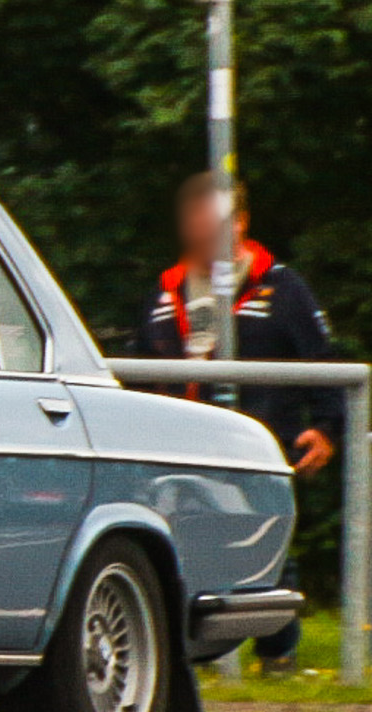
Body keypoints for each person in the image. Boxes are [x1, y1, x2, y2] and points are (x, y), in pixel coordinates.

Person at [136, 173, 341, 671]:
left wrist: (328, 428)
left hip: (262, 447)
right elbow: (140, 373)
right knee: (183, 549)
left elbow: (326, 363)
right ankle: (192, 657)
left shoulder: (283, 287)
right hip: (184, 453)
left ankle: (278, 656)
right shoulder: (168, 292)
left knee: (268, 551)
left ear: (241, 222)